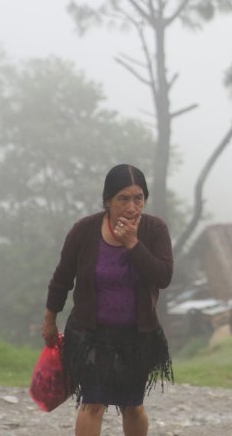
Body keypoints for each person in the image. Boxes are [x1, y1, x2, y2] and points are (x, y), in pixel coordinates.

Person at [42, 164, 173, 436]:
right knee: (93, 403)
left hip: (136, 337)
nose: (132, 206)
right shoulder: (84, 230)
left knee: (132, 405)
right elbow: (62, 278)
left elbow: (163, 276)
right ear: (108, 201)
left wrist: (133, 244)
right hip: (91, 334)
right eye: (123, 198)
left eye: (138, 198)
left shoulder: (155, 229)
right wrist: (50, 319)